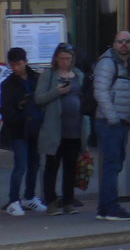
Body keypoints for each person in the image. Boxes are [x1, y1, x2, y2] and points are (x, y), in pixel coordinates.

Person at [34, 43, 89, 215]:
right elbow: (39, 98)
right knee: (52, 166)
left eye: (69, 59)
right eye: (62, 59)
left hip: (75, 129)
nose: (66, 62)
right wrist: (56, 92)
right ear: (56, 59)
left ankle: (68, 201)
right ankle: (51, 201)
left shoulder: (78, 75)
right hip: (54, 130)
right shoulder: (49, 75)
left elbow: (84, 98)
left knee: (70, 167)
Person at [92, 31, 130, 222]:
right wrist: (112, 118)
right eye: (120, 41)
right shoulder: (107, 62)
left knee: (114, 165)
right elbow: (100, 92)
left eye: (127, 41)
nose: (123, 45)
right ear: (114, 43)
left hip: (122, 122)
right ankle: (111, 207)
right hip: (110, 122)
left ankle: (105, 208)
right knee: (112, 165)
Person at [1, 48, 47, 216]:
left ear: (25, 62)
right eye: (12, 65)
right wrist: (20, 109)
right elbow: (7, 110)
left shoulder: (36, 78)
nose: (15, 68)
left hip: (34, 127)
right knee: (20, 165)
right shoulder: (8, 84)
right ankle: (13, 200)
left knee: (34, 164)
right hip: (19, 129)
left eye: (18, 64)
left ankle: (29, 196)